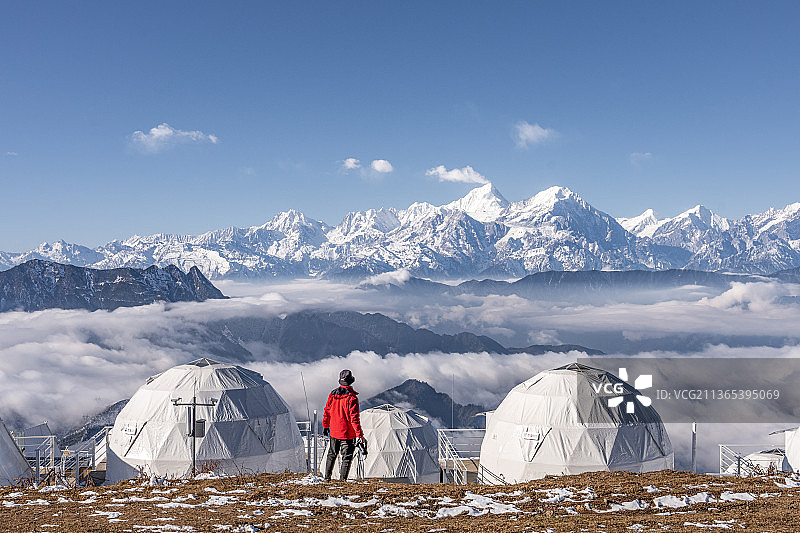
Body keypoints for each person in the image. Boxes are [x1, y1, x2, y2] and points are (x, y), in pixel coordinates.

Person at [322, 369, 367, 481]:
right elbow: (354, 419)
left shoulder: (332, 395)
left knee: (331, 455)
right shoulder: (352, 398)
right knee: (346, 458)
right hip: (347, 434)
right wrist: (359, 435)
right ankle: (342, 481)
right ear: (351, 381)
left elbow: (327, 411)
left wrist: (326, 426)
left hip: (334, 431)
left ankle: (326, 479)